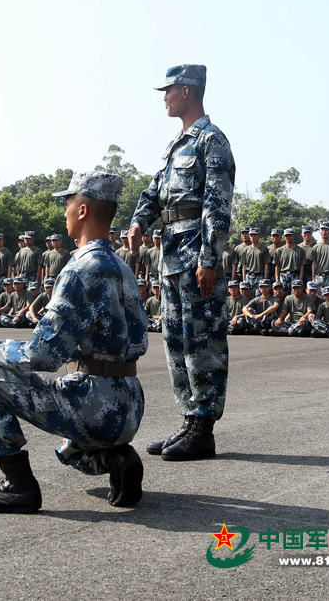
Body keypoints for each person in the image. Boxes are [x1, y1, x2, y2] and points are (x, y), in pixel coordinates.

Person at [0, 171, 148, 513]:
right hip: (130, 402)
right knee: (70, 444)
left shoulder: (80, 269)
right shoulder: (122, 266)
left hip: (95, 403)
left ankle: (18, 486)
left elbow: (41, 355)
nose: (65, 211)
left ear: (83, 211)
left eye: (68, 203)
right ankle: (115, 457)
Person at [129, 64, 234, 462]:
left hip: (196, 257)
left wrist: (208, 258)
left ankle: (203, 427)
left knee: (202, 340)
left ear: (187, 91)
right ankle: (189, 417)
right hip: (171, 255)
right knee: (175, 340)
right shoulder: (177, 146)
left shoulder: (212, 141)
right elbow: (155, 189)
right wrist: (140, 220)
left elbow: (217, 205)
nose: (165, 97)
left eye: (169, 90)